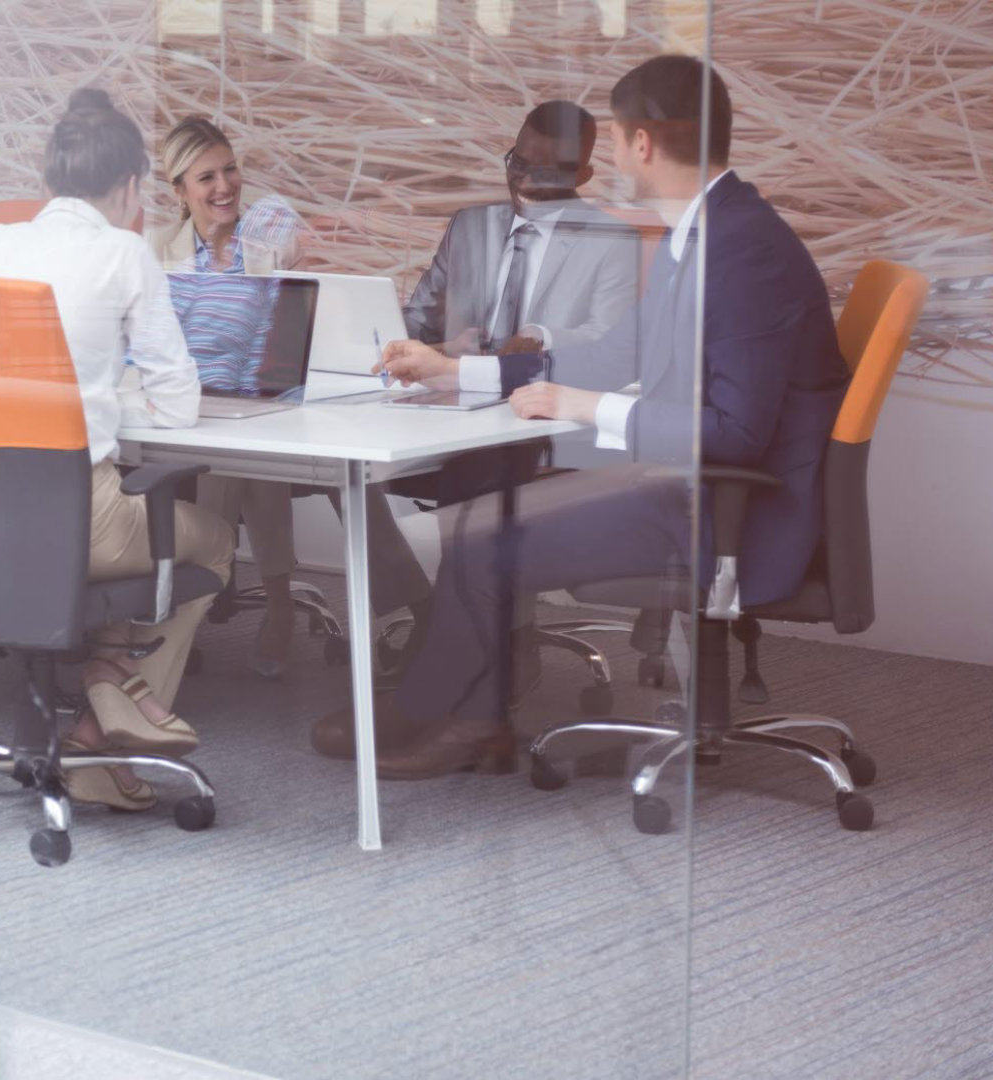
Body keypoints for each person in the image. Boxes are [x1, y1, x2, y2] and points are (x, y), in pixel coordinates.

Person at [313, 56, 849, 776]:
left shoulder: (740, 250)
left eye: (621, 138)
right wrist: (455, 369)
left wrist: (587, 408)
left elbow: (738, 434)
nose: (617, 156)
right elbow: (611, 359)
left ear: (643, 145)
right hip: (679, 481)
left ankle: (456, 721)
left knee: (477, 537)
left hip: (729, 510)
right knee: (482, 520)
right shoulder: (705, 231)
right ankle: (438, 708)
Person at [0, 88, 235, 811]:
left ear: (50, 182)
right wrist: (112, 397)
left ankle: (108, 693)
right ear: (131, 187)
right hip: (77, 520)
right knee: (209, 541)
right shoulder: (123, 251)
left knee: (136, 514)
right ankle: (106, 719)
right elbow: (178, 402)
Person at [148, 118, 308, 678]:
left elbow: (287, 327)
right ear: (180, 191)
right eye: (206, 177)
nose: (225, 187)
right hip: (179, 402)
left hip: (256, 395)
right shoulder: (156, 250)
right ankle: (271, 601)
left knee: (249, 441)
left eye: (231, 169)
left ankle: (194, 615)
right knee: (235, 446)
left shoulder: (264, 239)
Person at [401, 100, 638, 358]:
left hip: (545, 391)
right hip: (455, 385)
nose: (525, 183)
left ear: (582, 177)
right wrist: (377, 336)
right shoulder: (469, 227)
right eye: (519, 164)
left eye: (546, 174)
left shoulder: (612, 240)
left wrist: (541, 338)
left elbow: (606, 335)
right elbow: (420, 321)